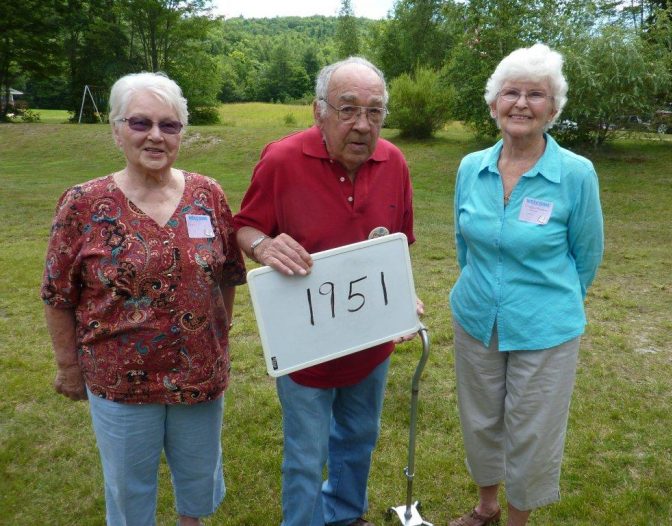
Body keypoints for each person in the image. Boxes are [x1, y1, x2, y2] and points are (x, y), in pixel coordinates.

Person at [41, 72, 246, 526]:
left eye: (169, 125)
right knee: (130, 489)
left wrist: (220, 332)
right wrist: (68, 368)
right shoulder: (82, 203)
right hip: (120, 382)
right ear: (116, 130)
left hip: (199, 374)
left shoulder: (207, 194)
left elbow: (229, 271)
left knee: (196, 479)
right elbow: (57, 293)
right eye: (140, 123)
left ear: (180, 134)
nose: (155, 135)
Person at [233, 57, 421, 526]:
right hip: (304, 345)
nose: (362, 125)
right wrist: (263, 245)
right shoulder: (281, 160)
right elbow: (245, 227)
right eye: (347, 109)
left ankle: (344, 513)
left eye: (375, 112)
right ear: (319, 111)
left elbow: (397, 246)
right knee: (305, 452)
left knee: (359, 436)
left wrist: (403, 297)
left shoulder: (394, 162)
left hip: (369, 341)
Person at [449, 44, 604, 526]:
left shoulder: (576, 174)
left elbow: (587, 254)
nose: (520, 103)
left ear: (552, 109)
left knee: (532, 430)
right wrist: (480, 291)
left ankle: (518, 520)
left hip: (545, 326)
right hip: (476, 317)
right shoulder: (470, 167)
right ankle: (486, 507)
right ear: (493, 103)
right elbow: (462, 243)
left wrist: (550, 304)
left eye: (535, 94)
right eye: (510, 92)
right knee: (480, 420)